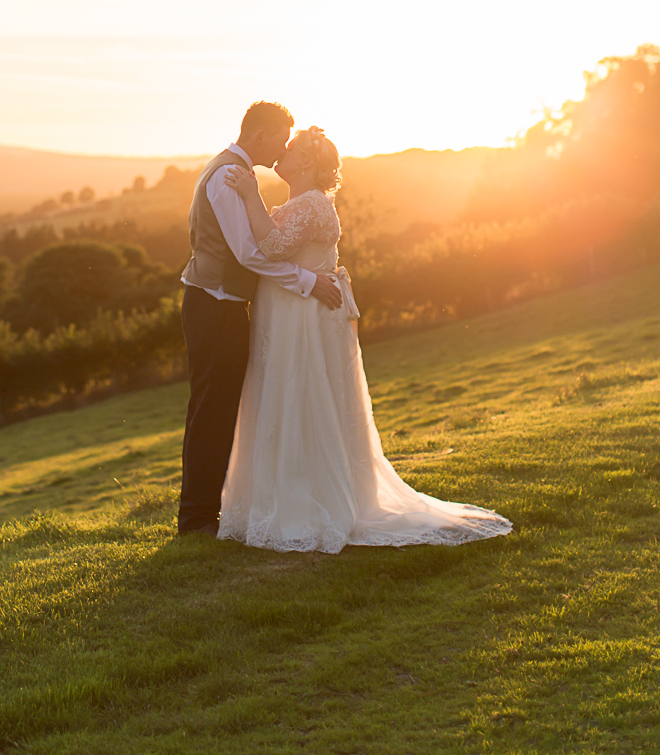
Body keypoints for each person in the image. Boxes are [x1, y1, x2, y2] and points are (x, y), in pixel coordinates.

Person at [217, 125, 513, 553]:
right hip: (285, 316)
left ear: (305, 163)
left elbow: (275, 246)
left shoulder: (314, 204)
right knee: (284, 397)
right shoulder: (301, 202)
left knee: (304, 397)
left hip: (303, 321)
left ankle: (309, 499)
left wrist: (249, 195)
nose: (283, 150)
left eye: (292, 147)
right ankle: (280, 492)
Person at [177, 101, 343, 537]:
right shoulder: (230, 177)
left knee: (224, 411)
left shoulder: (236, 173)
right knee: (212, 413)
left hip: (224, 306)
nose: (281, 150)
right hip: (214, 308)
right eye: (280, 140)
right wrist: (307, 281)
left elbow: (260, 240)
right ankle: (196, 520)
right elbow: (250, 253)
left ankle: (208, 513)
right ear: (261, 136)